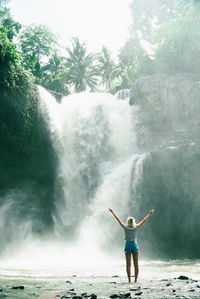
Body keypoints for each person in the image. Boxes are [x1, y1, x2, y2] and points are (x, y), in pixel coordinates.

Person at [108, 208, 154, 283]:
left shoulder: (125, 227)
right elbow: (143, 221)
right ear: (133, 222)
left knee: (128, 264)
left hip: (128, 244)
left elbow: (118, 219)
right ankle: (135, 279)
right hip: (134, 244)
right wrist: (149, 213)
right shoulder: (135, 227)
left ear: (127, 222)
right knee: (136, 264)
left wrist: (112, 212)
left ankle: (129, 280)